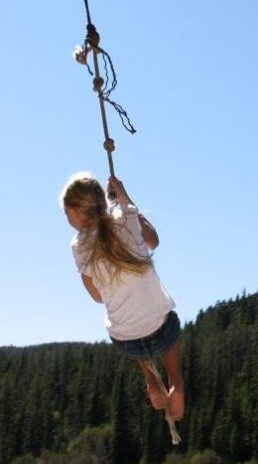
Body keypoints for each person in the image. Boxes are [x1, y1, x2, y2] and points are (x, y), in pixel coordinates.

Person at [61, 172, 184, 421]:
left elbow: (96, 297)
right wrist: (125, 199)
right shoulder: (126, 217)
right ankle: (176, 384)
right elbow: (154, 241)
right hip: (161, 329)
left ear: (75, 212)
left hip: (126, 341)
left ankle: (150, 379)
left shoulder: (79, 247)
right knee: (165, 319)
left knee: (126, 324)